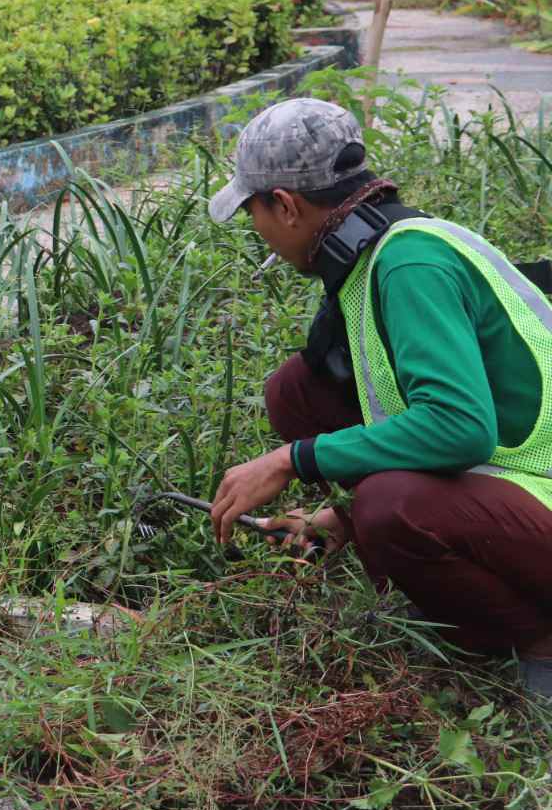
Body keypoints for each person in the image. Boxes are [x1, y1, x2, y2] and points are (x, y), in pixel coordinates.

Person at [205, 97, 552, 698]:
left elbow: (459, 430)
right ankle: (428, 583)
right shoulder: (375, 256)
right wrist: (337, 518)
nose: (256, 228)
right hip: (518, 486)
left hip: (537, 486)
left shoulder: (408, 264)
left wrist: (291, 460)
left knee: (390, 505)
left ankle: (538, 648)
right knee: (298, 388)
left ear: (285, 205)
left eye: (253, 211)